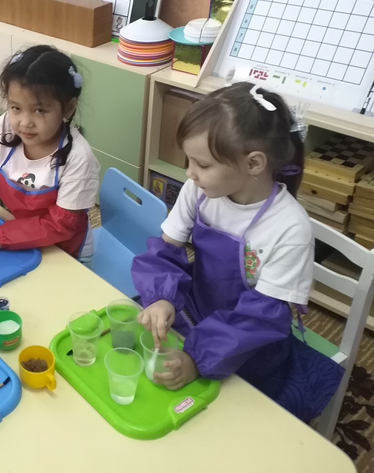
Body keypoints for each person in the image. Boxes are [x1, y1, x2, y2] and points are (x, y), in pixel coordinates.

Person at [131, 82, 343, 421]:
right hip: (195, 312)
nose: (189, 173)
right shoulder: (198, 191)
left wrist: (198, 359)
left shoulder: (290, 229)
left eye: (202, 164)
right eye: (189, 161)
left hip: (247, 342)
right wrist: (161, 298)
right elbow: (165, 251)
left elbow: (261, 318)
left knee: (222, 421)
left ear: (254, 163)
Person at [0, 45, 100, 261]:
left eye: (39, 110)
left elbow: (60, 226)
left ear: (68, 108)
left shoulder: (78, 158)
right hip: (19, 233)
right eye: (16, 108)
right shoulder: (5, 126)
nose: (24, 122)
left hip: (64, 252)